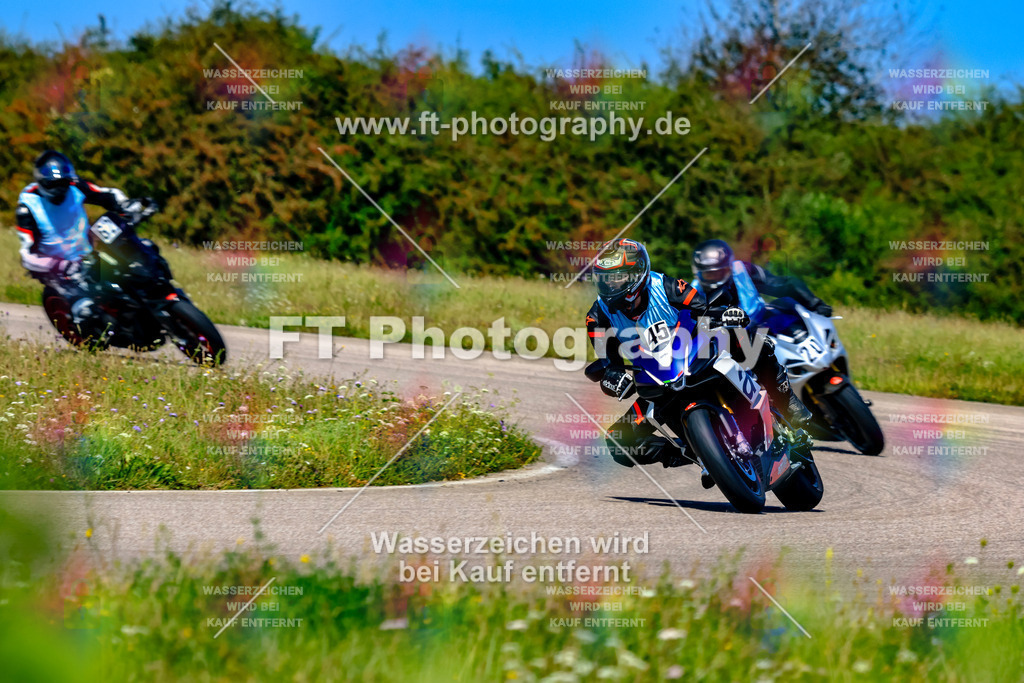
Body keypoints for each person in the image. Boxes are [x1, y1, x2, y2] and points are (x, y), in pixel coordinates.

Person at [585, 238, 811, 469]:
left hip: (697, 354)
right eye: (604, 279)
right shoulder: (597, 317)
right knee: (617, 440)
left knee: (752, 341)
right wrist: (611, 377)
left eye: (617, 277)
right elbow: (608, 362)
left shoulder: (665, 286)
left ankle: (787, 401)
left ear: (637, 273)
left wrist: (726, 313)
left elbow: (703, 307)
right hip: (658, 385)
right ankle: (691, 452)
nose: (610, 285)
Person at [15, 150, 137, 338]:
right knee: (86, 311)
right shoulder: (27, 207)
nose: (59, 189)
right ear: (41, 182)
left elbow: (107, 195)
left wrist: (126, 206)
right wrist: (59, 265)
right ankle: (94, 333)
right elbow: (26, 255)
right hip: (58, 272)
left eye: (63, 183)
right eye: (53, 185)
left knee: (132, 272)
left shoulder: (76, 185)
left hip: (88, 256)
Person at [690, 238, 832, 317]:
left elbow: (784, 284)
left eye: (718, 272)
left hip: (760, 333)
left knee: (785, 306)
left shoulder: (744, 272)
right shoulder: (691, 292)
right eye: (708, 274)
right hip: (719, 346)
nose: (714, 277)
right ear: (698, 273)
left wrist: (815, 304)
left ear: (729, 268)